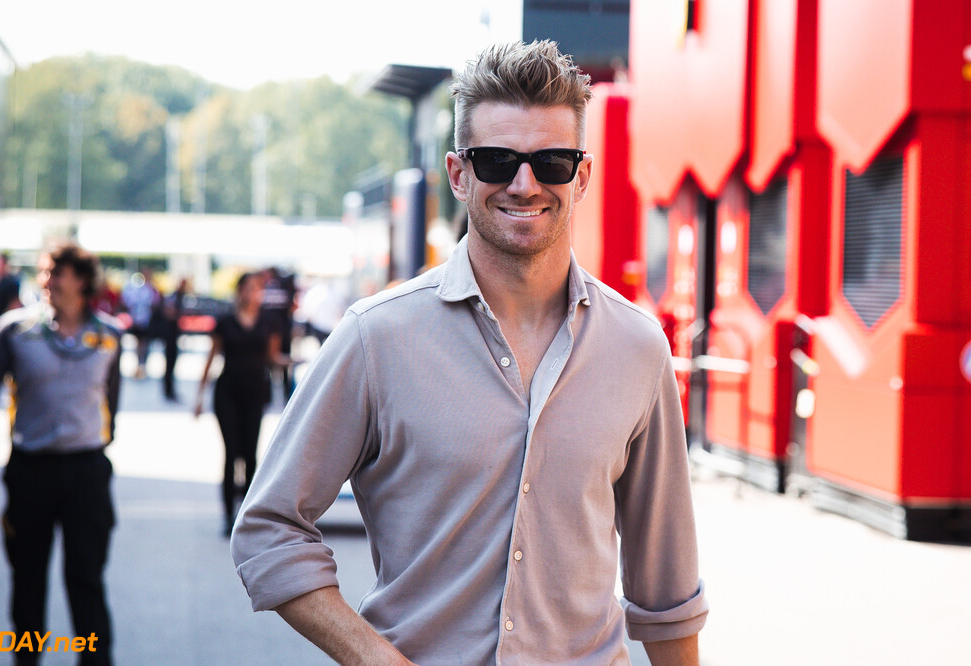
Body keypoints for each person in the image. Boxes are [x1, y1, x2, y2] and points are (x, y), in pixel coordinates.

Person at [230, 41, 707, 665]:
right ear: (459, 174)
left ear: (582, 175)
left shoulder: (638, 348)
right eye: (496, 161)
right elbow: (270, 528)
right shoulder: (377, 338)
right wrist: (374, 657)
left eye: (552, 162)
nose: (525, 183)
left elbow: (666, 591)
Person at [0, 239, 121, 665]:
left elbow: (111, 402)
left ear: (82, 281)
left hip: (87, 471)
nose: (46, 281)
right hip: (31, 471)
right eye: (45, 272)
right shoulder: (15, 330)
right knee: (28, 578)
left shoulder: (108, 337)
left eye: (57, 273)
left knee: (85, 577)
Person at [194, 272, 288, 534]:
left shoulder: (269, 322)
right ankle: (227, 516)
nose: (252, 294)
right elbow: (211, 358)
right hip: (227, 392)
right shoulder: (224, 322)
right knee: (231, 452)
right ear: (239, 292)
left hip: (255, 393)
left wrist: (297, 362)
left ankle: (248, 516)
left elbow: (273, 357)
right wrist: (199, 396)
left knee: (250, 454)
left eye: (256, 289)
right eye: (247, 289)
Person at [259, 266, 296, 402]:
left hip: (282, 332)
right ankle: (268, 395)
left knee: (284, 365)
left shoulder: (284, 285)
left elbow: (291, 308)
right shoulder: (264, 287)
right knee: (268, 364)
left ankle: (287, 395)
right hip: (269, 332)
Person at [120, 268, 160, 379]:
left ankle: (142, 366)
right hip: (137, 321)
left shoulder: (151, 289)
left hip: (146, 322)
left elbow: (155, 303)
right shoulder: (136, 288)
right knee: (139, 345)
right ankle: (139, 367)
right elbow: (128, 302)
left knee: (145, 345)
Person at [160, 278, 188, 402]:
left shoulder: (181, 297)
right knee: (169, 364)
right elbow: (168, 312)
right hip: (169, 336)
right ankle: (168, 391)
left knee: (172, 365)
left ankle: (170, 391)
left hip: (175, 335)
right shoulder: (173, 297)